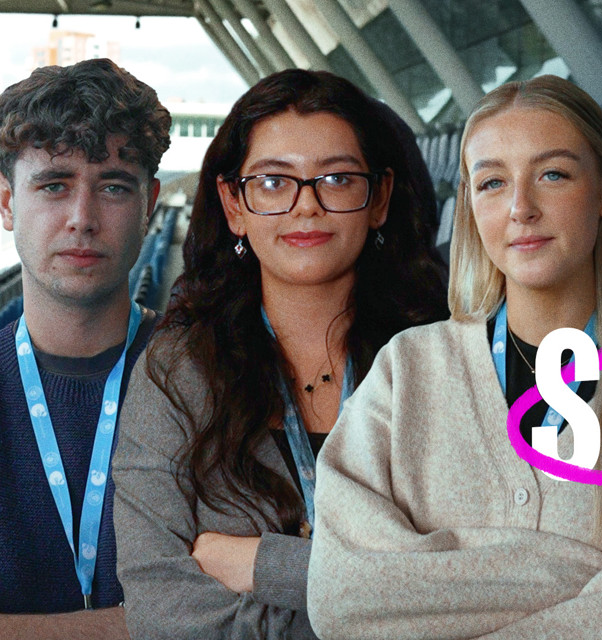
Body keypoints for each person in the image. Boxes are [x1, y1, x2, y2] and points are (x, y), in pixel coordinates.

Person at [308, 75, 602, 639]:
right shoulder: (405, 371)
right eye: (493, 183)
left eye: (553, 174)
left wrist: (435, 584)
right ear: (470, 204)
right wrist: (571, 573)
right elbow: (339, 598)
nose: (520, 208)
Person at [111, 69, 448, 638]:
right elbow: (160, 611)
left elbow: (481, 586)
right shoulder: (178, 370)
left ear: (379, 198)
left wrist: (265, 567)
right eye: (273, 182)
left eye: (337, 179)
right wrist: (379, 598)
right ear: (234, 204)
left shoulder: (445, 364)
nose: (306, 206)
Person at [0, 59, 168, 637]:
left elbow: (231, 615)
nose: (82, 219)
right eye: (54, 185)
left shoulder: (214, 377)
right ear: (6, 203)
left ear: (149, 205)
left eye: (114, 187)